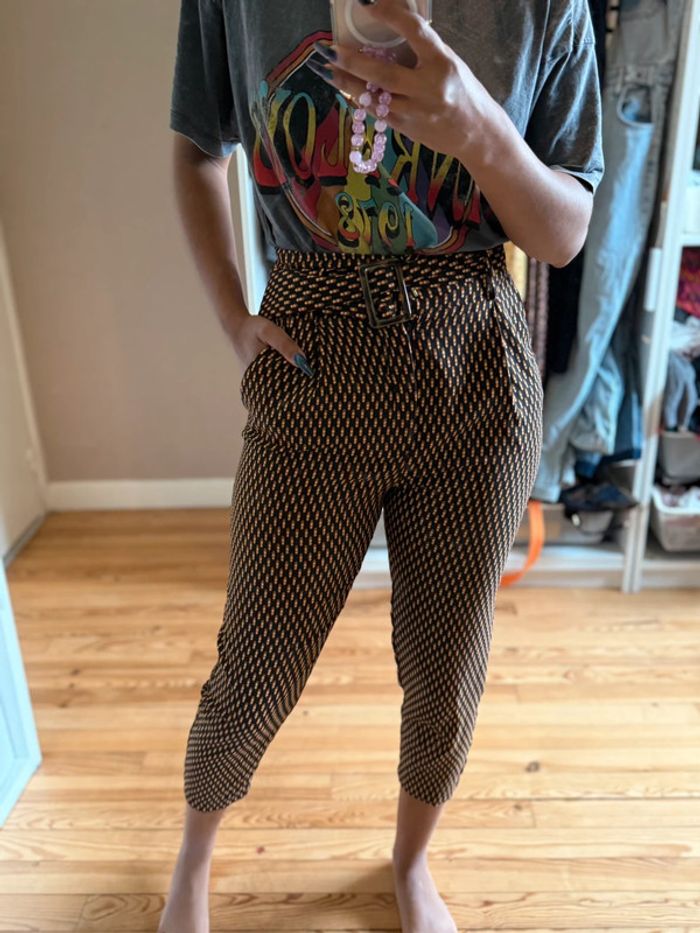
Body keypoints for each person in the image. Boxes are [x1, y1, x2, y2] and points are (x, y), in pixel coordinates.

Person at [158, 1, 604, 930]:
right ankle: (192, 860)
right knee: (256, 663)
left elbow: (564, 232)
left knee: (447, 668)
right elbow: (199, 146)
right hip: (310, 353)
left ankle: (410, 862)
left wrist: (480, 130)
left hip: (473, 361)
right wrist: (234, 320)